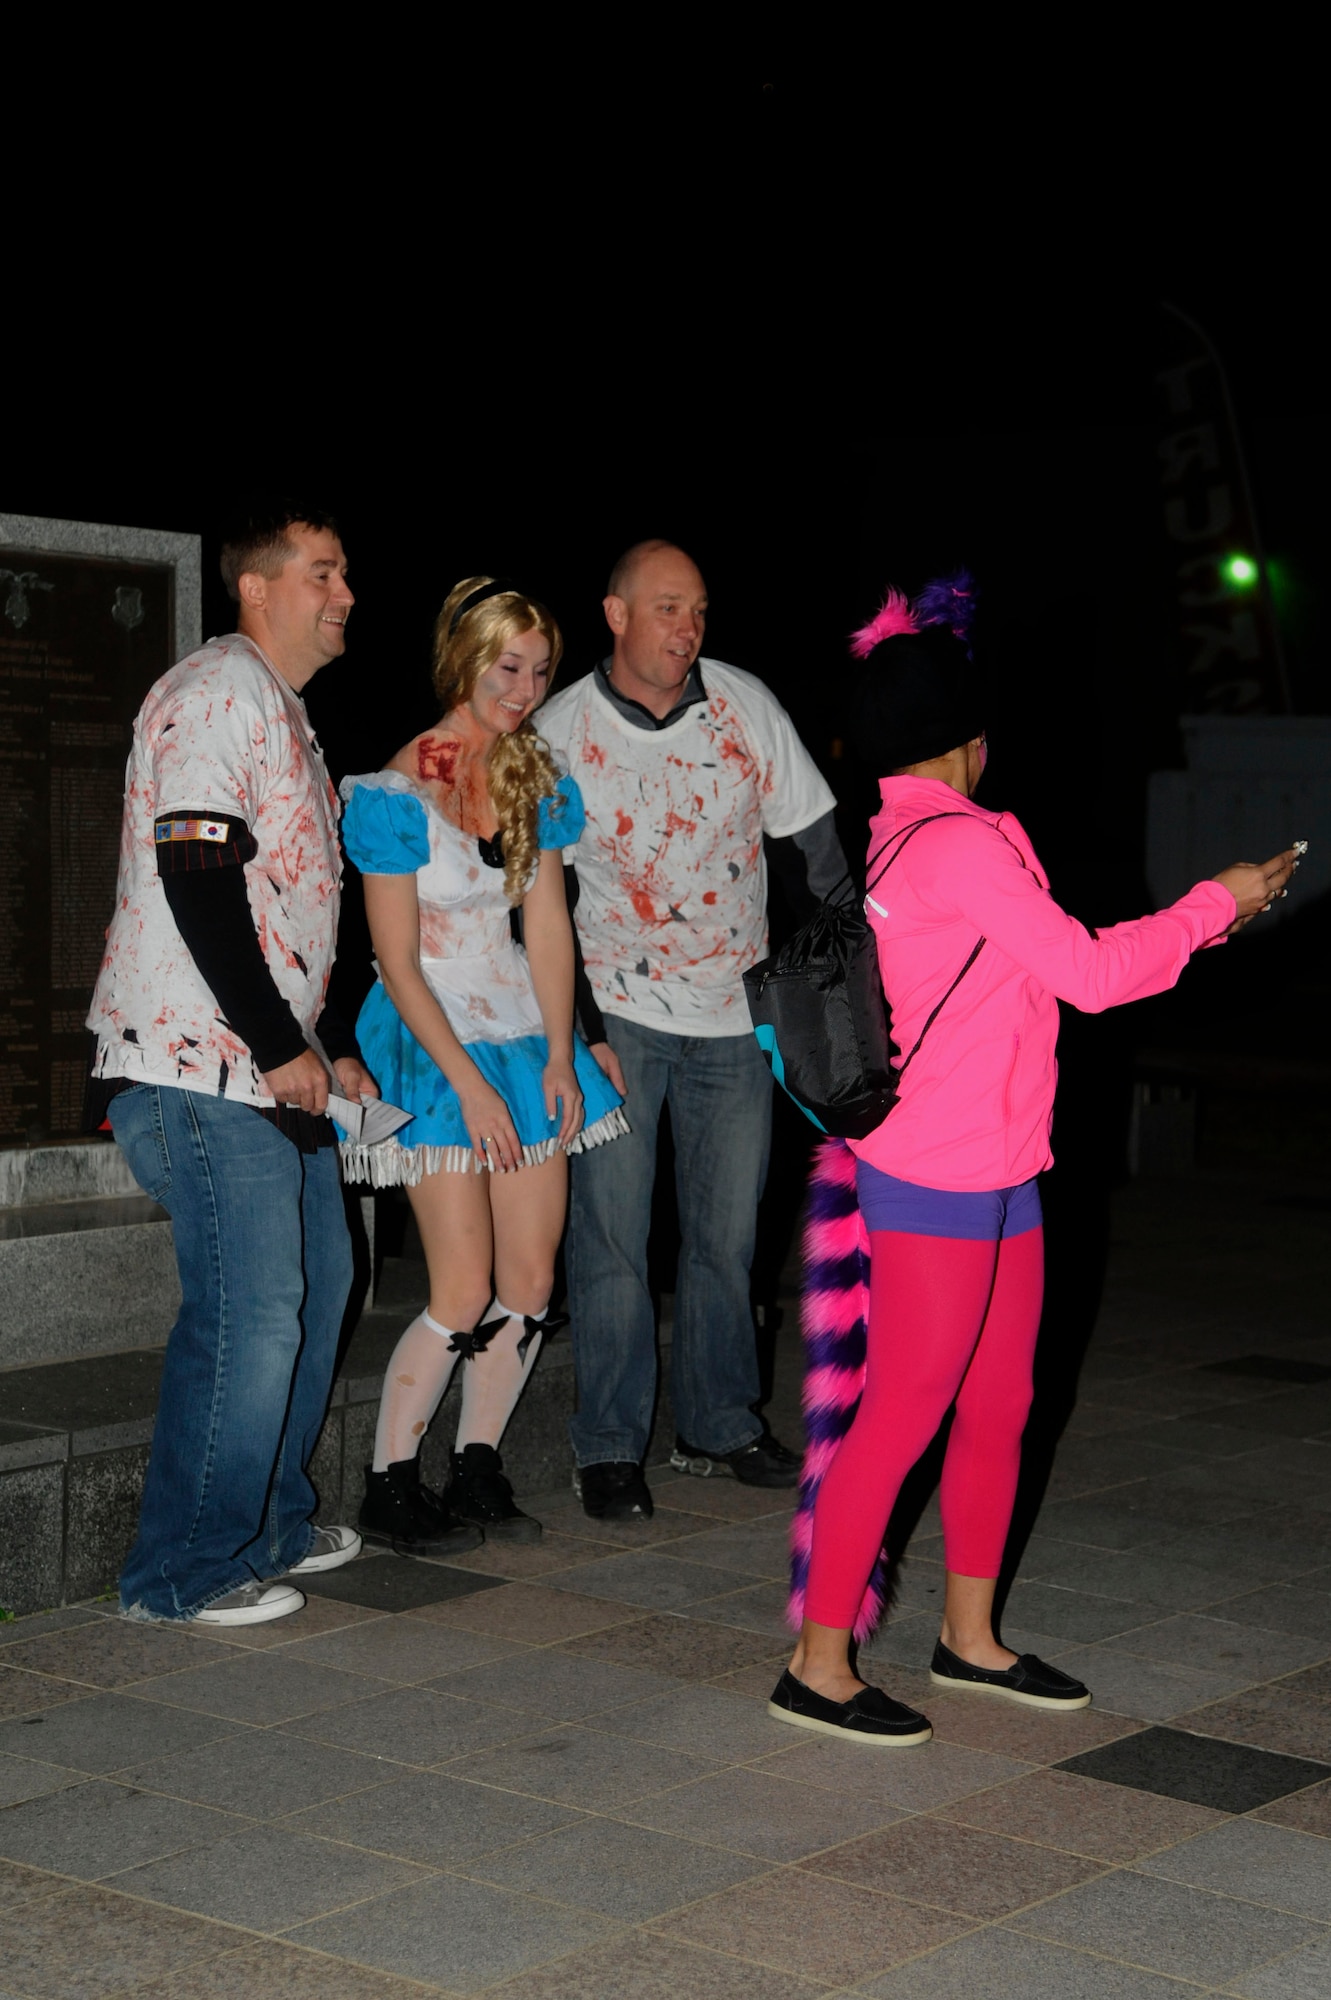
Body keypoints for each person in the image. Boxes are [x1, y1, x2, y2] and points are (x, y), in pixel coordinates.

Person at [769, 574, 1302, 1745]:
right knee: (903, 1408)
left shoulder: (906, 831)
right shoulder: (955, 846)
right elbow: (1095, 974)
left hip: (998, 1160)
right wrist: (1217, 900)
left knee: (998, 1402)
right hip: (942, 1169)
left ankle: (967, 1638)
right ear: (968, 745)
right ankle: (816, 1661)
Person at [88, 504, 377, 1627]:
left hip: (264, 1064)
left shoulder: (284, 713)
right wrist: (276, 1041)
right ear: (257, 585)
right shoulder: (215, 691)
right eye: (324, 569)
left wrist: (324, 1046)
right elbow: (196, 877)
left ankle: (269, 1524)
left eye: (344, 569)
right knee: (249, 1312)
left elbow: (285, 905)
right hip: (195, 1069)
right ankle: (180, 1570)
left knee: (319, 1284)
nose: (346, 590)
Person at [539, 539, 848, 1521]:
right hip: (614, 1017)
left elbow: (816, 849)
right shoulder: (556, 732)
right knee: (612, 1239)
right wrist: (574, 1028)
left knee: (727, 1233)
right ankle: (608, 1444)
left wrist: (852, 985)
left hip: (733, 1016)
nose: (687, 629)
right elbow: (529, 899)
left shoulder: (744, 706)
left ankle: (718, 1420)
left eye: (699, 610)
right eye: (667, 607)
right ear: (615, 613)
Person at [338, 577, 627, 1549]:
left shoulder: (532, 776)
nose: (524, 686)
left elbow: (547, 924)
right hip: (428, 1043)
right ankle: (387, 1481)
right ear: (466, 656)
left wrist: (559, 1050)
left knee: (531, 1278)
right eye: (509, 665)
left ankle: (475, 1466)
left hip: (517, 1031)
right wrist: (465, 1083)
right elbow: (394, 959)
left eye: (540, 669)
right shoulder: (400, 781)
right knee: (459, 1285)